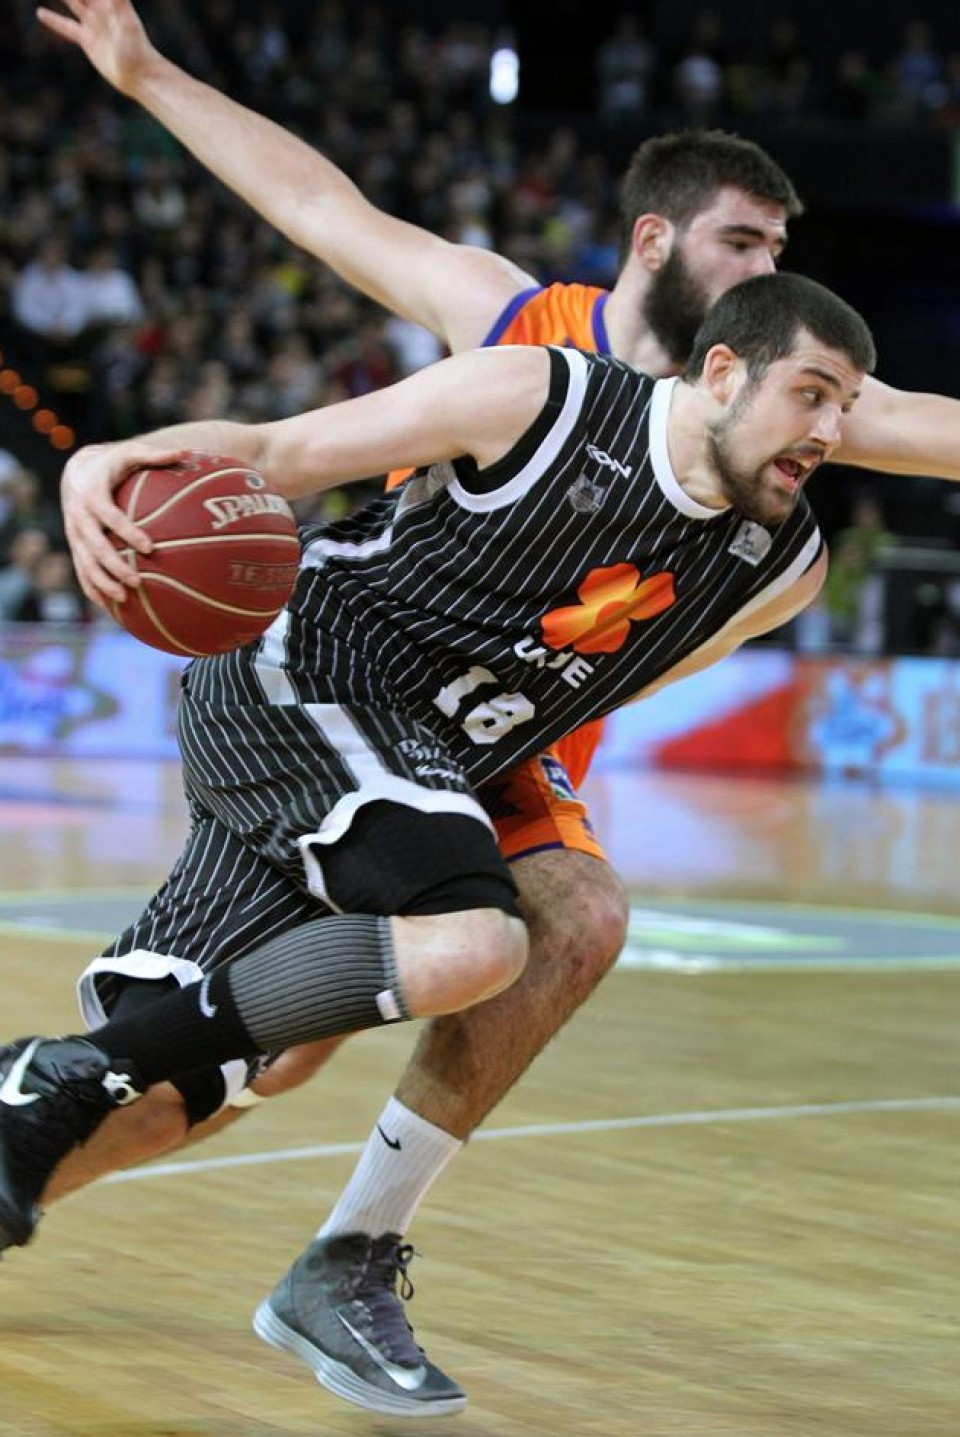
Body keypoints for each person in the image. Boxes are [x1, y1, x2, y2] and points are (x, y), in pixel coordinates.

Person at [29, 0, 960, 1416]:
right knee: (239, 1070)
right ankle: (32, 1136)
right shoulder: (520, 332)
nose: (771, 267)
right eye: (744, 242)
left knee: (558, 922)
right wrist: (149, 74)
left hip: (504, 744)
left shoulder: (794, 419)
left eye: (782, 252)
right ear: (657, 244)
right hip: (364, 677)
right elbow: (315, 206)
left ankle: (347, 1253)